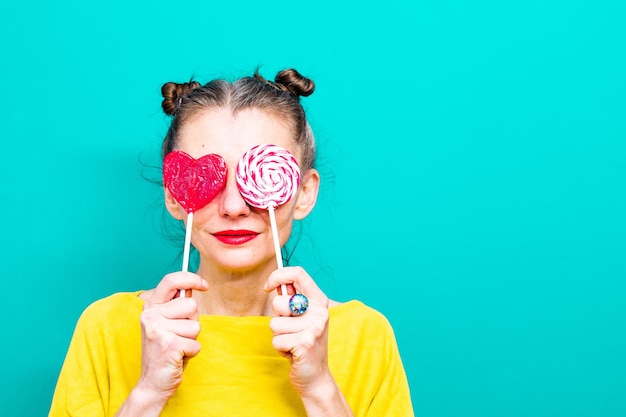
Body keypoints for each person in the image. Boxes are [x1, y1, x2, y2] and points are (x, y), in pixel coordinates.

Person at [48, 68, 414, 417]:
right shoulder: (107, 328)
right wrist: (148, 391)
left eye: (260, 176)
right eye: (210, 178)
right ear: (174, 195)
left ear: (304, 193)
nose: (235, 207)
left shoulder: (365, 336)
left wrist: (320, 387)